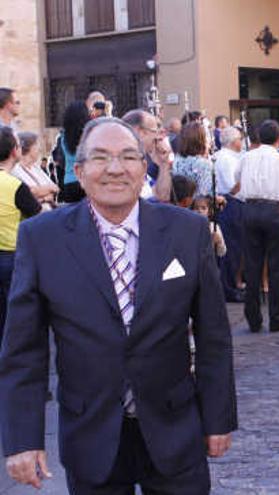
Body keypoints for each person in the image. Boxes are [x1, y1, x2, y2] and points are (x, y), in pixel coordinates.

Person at [0, 117, 237, 493]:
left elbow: (214, 335)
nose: (115, 169)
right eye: (100, 158)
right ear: (78, 171)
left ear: (144, 167)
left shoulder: (186, 232)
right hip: (90, 431)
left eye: (128, 156)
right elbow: (22, 351)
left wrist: (218, 417)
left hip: (175, 427)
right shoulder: (41, 238)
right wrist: (21, 440)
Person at [238, 119, 279, 333]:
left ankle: (253, 318)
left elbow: (237, 181)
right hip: (273, 210)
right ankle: (276, 317)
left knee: (252, 265)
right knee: (276, 266)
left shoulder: (246, 157)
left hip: (251, 209)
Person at [0, 127, 41, 342]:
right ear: (15, 151)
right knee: (12, 319)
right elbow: (39, 216)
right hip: (10, 257)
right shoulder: (15, 185)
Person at [215, 126, 245, 302]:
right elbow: (232, 186)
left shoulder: (227, 157)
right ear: (234, 141)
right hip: (230, 203)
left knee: (234, 247)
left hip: (232, 202)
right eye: (240, 139)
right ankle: (229, 289)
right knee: (231, 248)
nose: (241, 142)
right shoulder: (226, 159)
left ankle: (231, 285)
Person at [121, 110, 173, 202]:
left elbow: (162, 196)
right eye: (155, 131)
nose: (158, 137)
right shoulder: (123, 163)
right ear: (141, 132)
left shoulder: (141, 161)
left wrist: (164, 163)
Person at [12, 132, 59, 211]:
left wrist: (40, 196)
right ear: (29, 148)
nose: (39, 149)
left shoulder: (36, 168)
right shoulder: (15, 169)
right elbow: (27, 193)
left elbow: (55, 188)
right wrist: (46, 193)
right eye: (37, 145)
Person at [172, 122, 213, 196]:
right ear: (201, 141)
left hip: (179, 205)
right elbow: (205, 195)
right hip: (197, 205)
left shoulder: (176, 160)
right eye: (206, 137)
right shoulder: (204, 165)